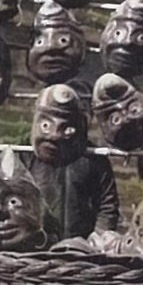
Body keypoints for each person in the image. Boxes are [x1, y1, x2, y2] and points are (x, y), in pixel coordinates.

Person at [26, 81, 120, 240]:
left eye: (66, 127)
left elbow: (107, 204)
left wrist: (98, 238)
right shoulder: (25, 153)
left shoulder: (93, 158)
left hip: (78, 246)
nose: (55, 136)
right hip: (34, 243)